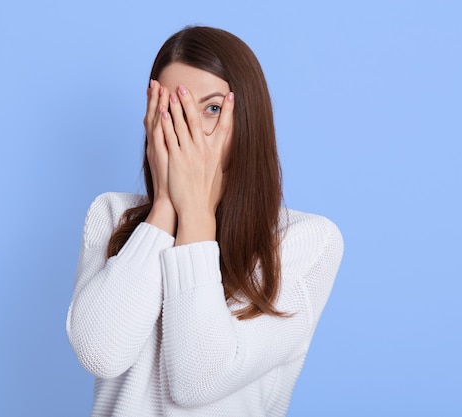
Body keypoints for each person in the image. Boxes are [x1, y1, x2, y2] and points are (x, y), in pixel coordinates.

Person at [66, 26, 344, 416]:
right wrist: (164, 206)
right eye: (171, 110)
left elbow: (198, 380)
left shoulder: (306, 241)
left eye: (211, 108)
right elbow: (101, 354)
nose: (188, 130)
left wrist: (195, 211)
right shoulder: (112, 214)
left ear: (247, 120)